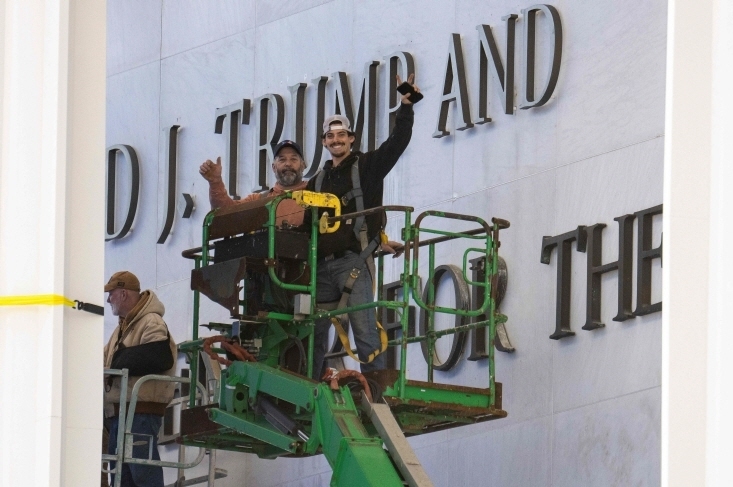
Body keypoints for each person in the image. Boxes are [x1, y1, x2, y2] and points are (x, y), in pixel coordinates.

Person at [309, 74, 419, 378]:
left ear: (351, 138)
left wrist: (407, 105)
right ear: (324, 142)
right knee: (313, 333)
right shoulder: (316, 181)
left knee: (365, 329)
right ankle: (312, 384)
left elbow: (397, 143)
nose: (336, 140)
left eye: (341, 135)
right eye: (330, 137)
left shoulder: (367, 166)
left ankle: (376, 388)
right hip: (322, 266)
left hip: (353, 262)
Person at [103, 271, 177, 487]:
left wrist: (119, 360)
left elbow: (159, 355)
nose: (108, 300)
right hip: (122, 414)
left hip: (140, 412)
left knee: (142, 475)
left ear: (123, 294)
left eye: (111, 294)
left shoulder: (151, 321)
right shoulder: (122, 328)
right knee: (122, 478)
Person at [199, 139, 308, 226]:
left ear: (303, 165)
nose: (288, 164)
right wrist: (215, 182)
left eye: (293, 159)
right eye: (282, 160)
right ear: (274, 167)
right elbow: (225, 215)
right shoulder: (259, 200)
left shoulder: (315, 192)